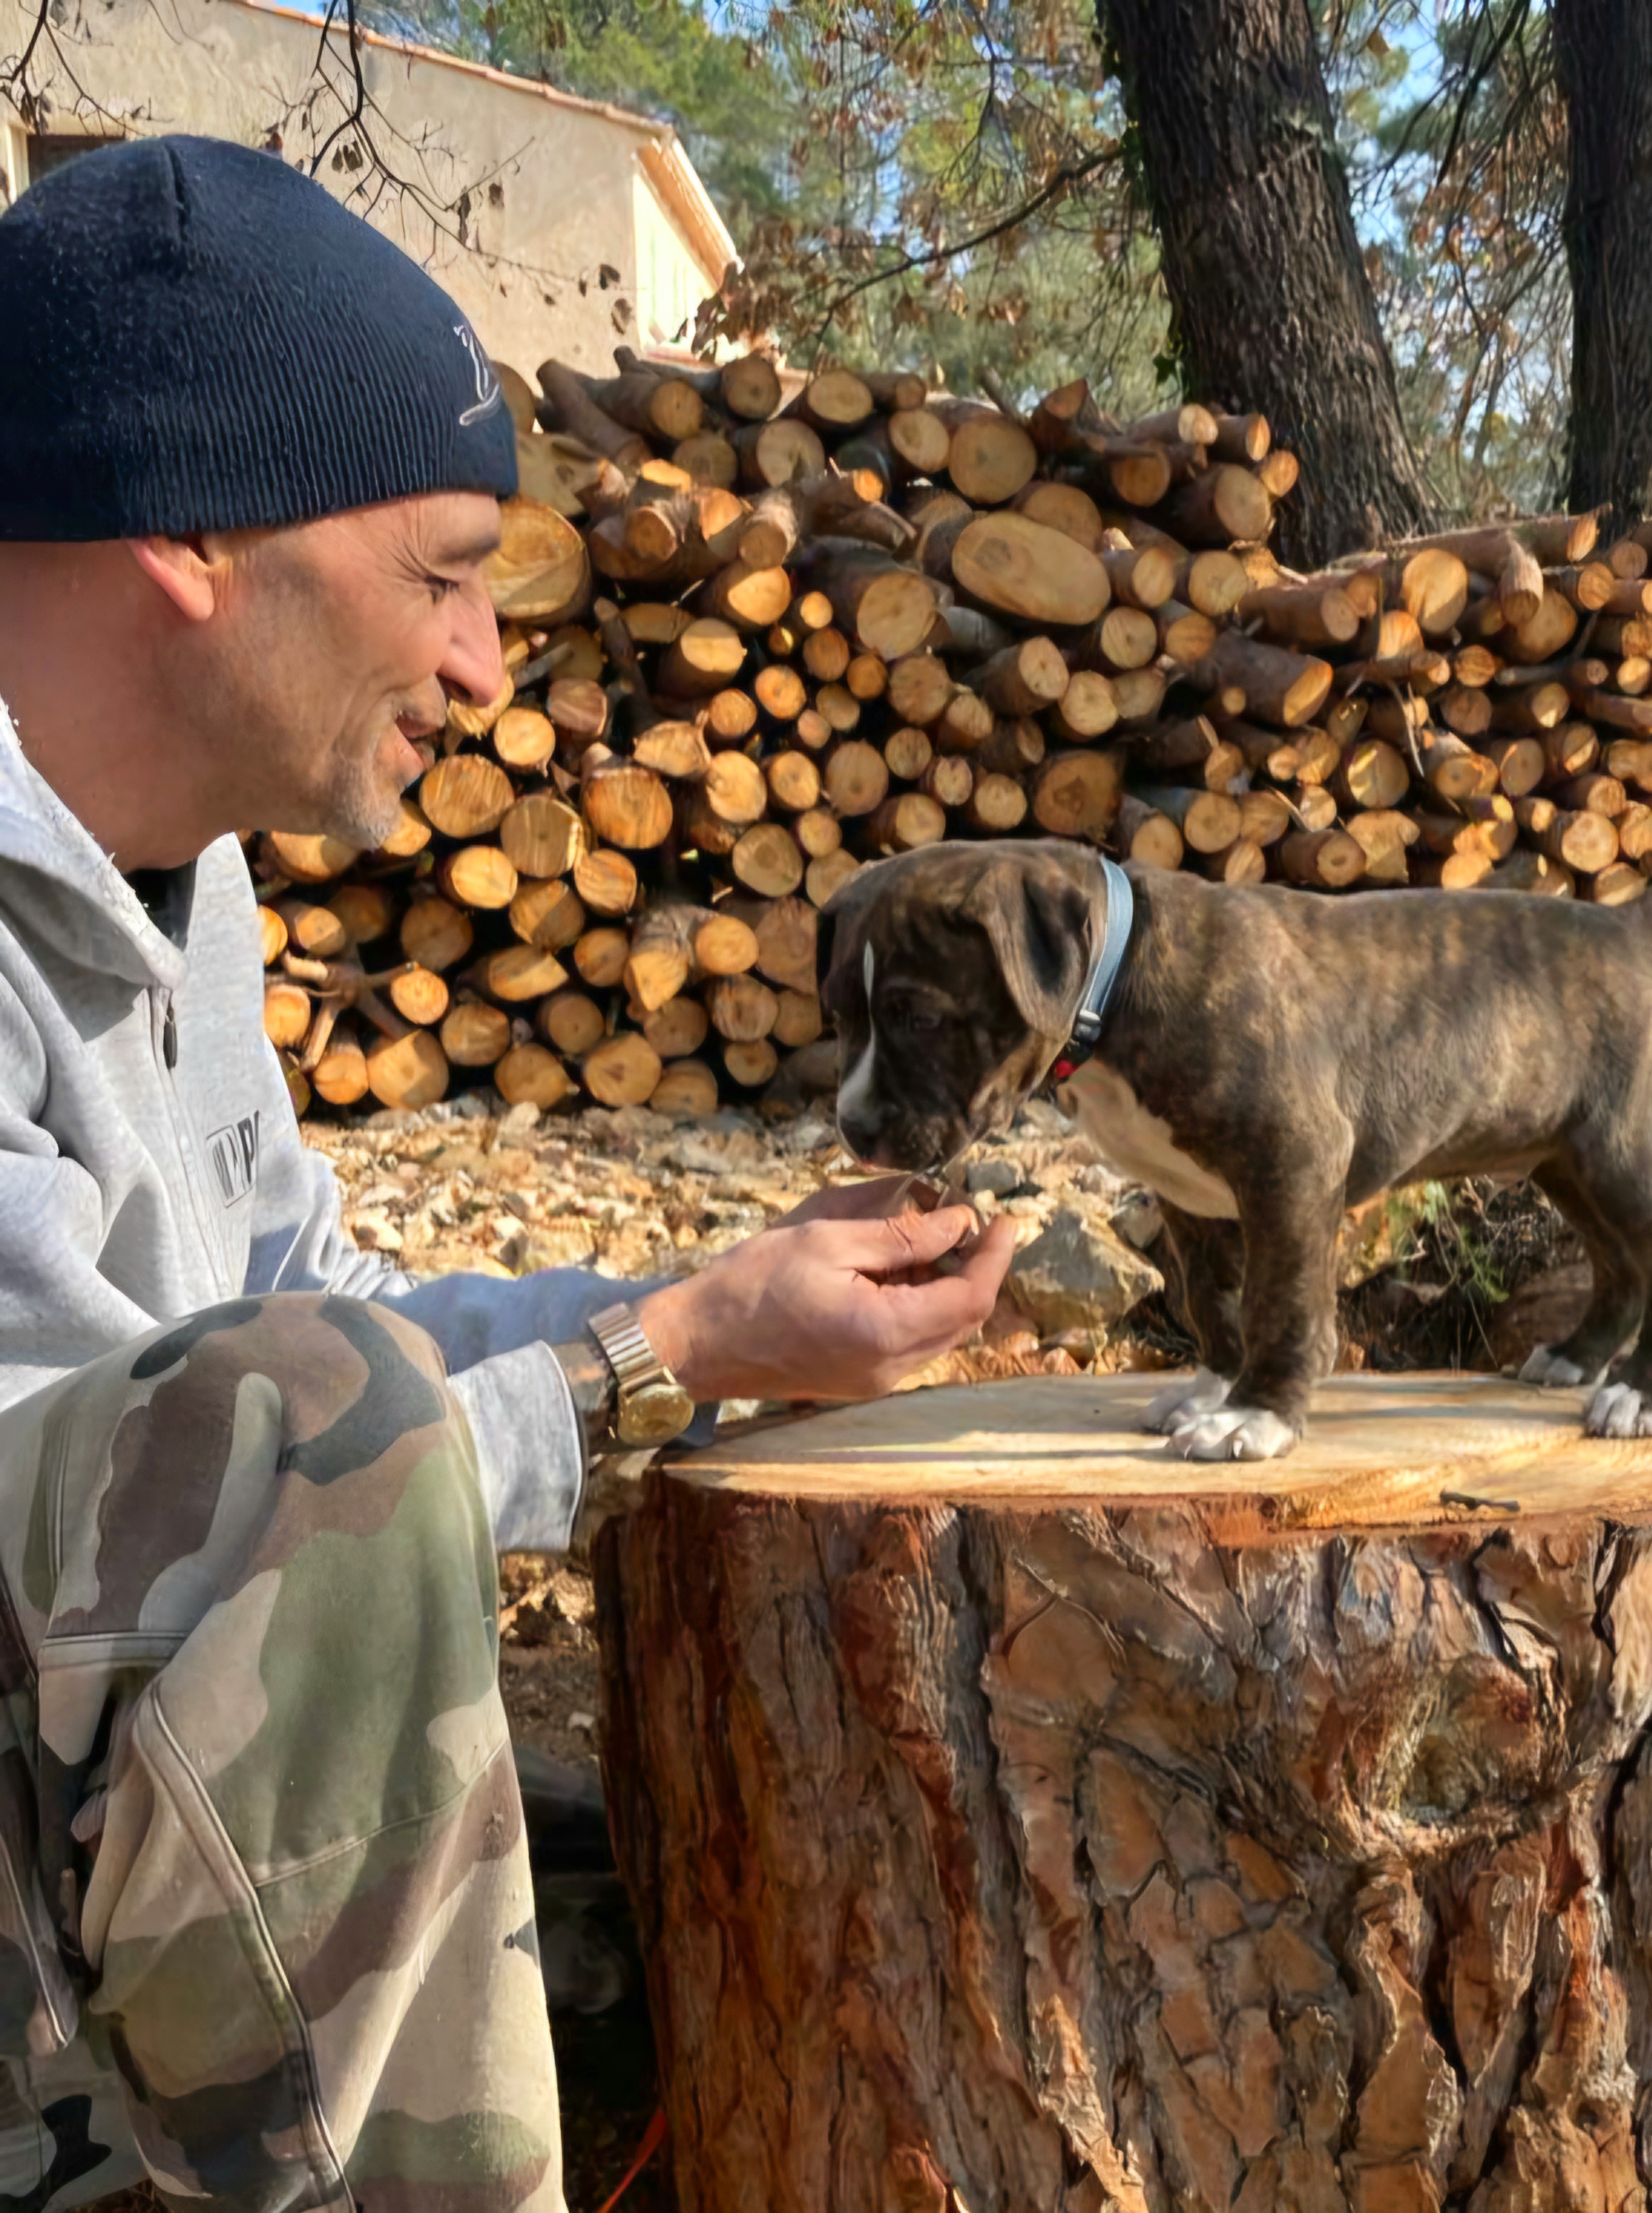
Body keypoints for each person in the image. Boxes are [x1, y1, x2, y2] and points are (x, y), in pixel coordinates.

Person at [0, 135, 1016, 2212]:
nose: (483, 666)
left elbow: (307, 1318)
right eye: (445, 575)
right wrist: (639, 1366)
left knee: (647, 1917)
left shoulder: (176, 887)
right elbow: (183, 1519)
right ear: (195, 530)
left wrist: (715, 1318)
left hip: (74, 1827)